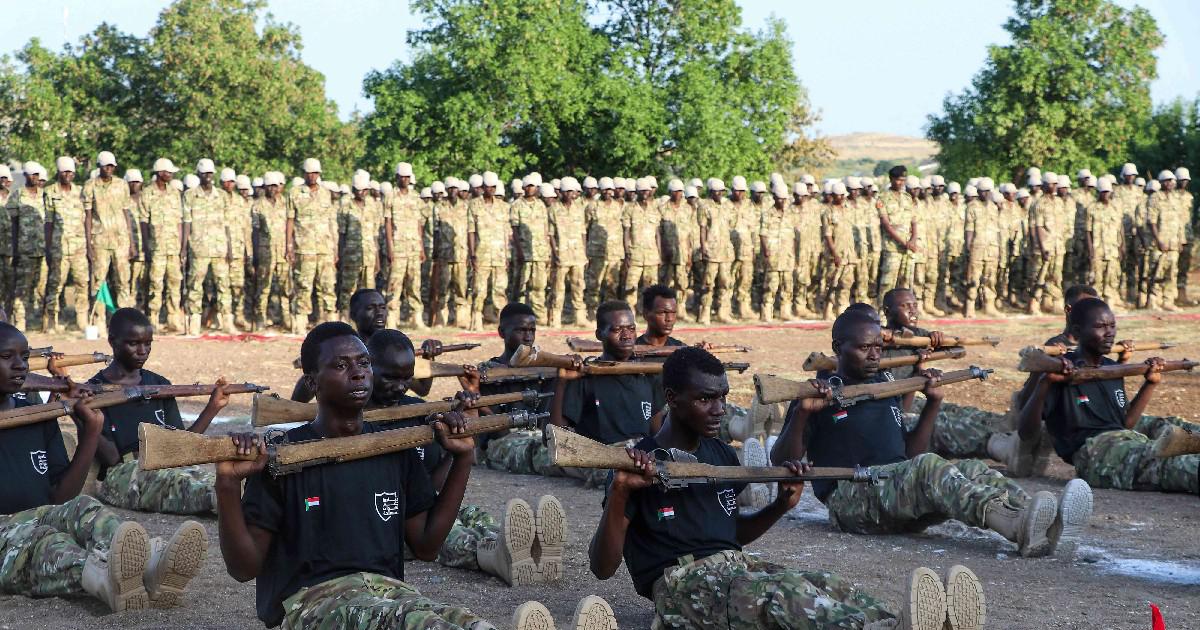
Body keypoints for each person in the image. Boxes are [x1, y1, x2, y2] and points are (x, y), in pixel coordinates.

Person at [589, 346, 986, 630]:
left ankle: (900, 622)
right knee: (783, 595)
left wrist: (780, 505)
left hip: (733, 569)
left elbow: (730, 537)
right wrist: (622, 492)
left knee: (824, 584)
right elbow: (602, 568)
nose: (719, 409)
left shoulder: (721, 455)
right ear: (673, 399)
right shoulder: (636, 462)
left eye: (723, 397)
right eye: (706, 399)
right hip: (680, 588)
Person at [215, 321, 501, 628]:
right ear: (313, 383)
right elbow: (244, 568)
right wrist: (228, 485)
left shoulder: (394, 448)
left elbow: (426, 545)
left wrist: (462, 458)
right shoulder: (283, 457)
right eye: (340, 365)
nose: (358, 372)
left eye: (364, 362)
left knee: (466, 622)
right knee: (418, 624)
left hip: (390, 594)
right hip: (314, 603)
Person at [772, 310, 1092, 559]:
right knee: (929, 468)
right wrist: (803, 412)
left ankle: (1044, 522)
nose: (873, 355)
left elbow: (909, 456)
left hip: (894, 490)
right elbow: (781, 461)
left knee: (972, 470)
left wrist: (932, 404)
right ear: (838, 348)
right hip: (852, 500)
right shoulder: (821, 390)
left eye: (878, 348)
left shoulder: (887, 383)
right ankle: (1016, 525)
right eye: (863, 348)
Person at [0, 322, 207, 611]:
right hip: (5, 532)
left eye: (24, 356)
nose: (21, 365)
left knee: (85, 508)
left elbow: (62, 497)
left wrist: (92, 428)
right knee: (44, 543)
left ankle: (151, 564)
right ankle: (107, 581)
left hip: (40, 514)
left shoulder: (37, 411)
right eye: (7, 357)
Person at [365, 329, 567, 587]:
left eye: (406, 378)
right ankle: (494, 557)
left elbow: (433, 484)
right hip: (391, 519)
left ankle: (530, 551)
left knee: (476, 516)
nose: (400, 386)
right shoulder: (354, 420)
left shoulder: (416, 409)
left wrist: (460, 440)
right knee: (453, 535)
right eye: (390, 378)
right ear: (367, 368)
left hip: (420, 506)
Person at [1015, 298, 1199, 494]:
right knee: (1175, 467)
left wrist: (1150, 383)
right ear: (1077, 332)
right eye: (1101, 326)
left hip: (1130, 441)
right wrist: (1045, 382)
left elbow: (1125, 422)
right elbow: (1026, 432)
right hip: (1095, 454)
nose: (1110, 332)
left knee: (1177, 457)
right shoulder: (1061, 370)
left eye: (1112, 325)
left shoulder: (1112, 368)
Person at [88, 308, 231, 514]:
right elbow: (111, 459)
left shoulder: (160, 385)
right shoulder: (94, 390)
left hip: (168, 466)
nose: (142, 351)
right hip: (124, 474)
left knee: (219, 482)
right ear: (112, 341)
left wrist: (213, 407)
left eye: (147, 344)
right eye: (133, 343)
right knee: (196, 490)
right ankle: (228, 503)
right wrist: (81, 416)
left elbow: (184, 446)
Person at [476, 303, 558, 475]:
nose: (528, 337)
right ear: (501, 332)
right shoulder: (488, 372)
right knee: (551, 456)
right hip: (505, 444)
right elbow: (498, 433)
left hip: (540, 439)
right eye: (521, 330)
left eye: (532, 330)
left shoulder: (546, 370)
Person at [182, 159, 234, 334]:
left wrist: (230, 247)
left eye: (211, 173)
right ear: (198, 174)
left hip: (219, 248)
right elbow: (186, 223)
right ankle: (194, 322)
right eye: (205, 174)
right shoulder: (190, 195)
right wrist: (184, 248)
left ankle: (227, 321)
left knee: (224, 284)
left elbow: (227, 224)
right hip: (199, 248)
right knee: (195, 285)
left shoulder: (222, 196)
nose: (208, 177)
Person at [287, 158, 339, 333]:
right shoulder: (294, 193)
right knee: (303, 285)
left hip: (325, 248)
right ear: (304, 173)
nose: (312, 176)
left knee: (327, 285)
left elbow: (332, 222)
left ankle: (331, 323)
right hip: (304, 248)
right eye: (309, 173)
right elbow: (290, 220)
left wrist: (335, 248)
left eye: (315, 173)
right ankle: (300, 323)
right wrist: (289, 245)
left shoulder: (326, 194)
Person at [43, 157, 90, 333]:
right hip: (59, 246)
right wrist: (48, 247)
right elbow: (48, 222)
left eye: (70, 172)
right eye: (64, 171)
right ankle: (51, 320)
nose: (68, 175)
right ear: (58, 172)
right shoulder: (50, 192)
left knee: (82, 282)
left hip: (79, 246)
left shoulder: (80, 191)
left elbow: (86, 219)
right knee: (56, 284)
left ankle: (81, 319)